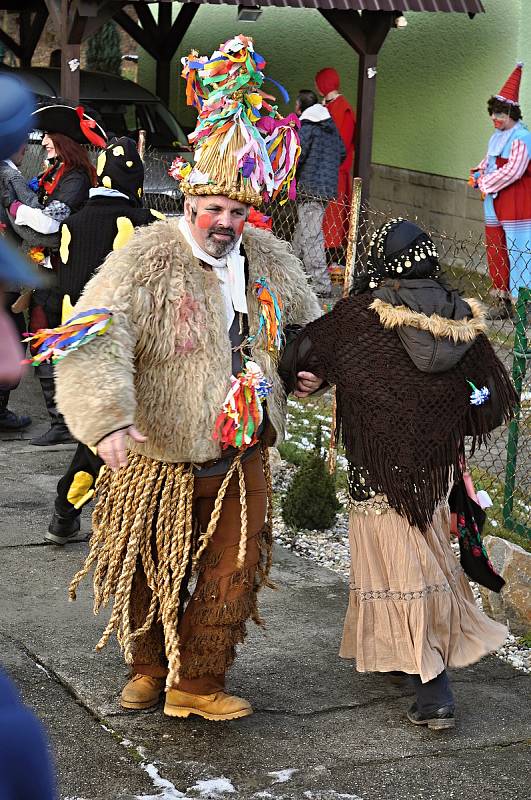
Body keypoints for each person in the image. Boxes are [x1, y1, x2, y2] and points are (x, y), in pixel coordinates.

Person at [37, 35, 322, 721]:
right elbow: (93, 334)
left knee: (233, 573)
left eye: (237, 211)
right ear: (188, 205)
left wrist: (310, 367)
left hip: (239, 451)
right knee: (142, 568)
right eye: (213, 211)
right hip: (155, 449)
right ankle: (145, 666)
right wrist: (105, 417)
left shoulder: (271, 259)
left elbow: (311, 329)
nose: (225, 224)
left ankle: (197, 681)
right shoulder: (146, 258)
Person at [280, 218, 515, 730]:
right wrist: (457, 403)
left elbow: (302, 353)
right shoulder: (461, 318)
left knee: (402, 568)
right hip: (434, 474)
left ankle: (433, 687)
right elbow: (491, 396)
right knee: (421, 559)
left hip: (378, 469)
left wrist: (308, 373)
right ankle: (396, 655)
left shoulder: (359, 317)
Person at [42, 136, 166, 545]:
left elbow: (59, 274)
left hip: (71, 340)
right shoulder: (142, 221)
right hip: (117, 345)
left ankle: (70, 511)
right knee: (111, 433)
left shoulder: (72, 221)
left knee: (100, 430)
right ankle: (67, 507)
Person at [10, 103, 107, 445]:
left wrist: (16, 208)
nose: (45, 143)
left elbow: (51, 222)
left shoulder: (77, 178)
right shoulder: (56, 173)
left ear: (65, 142)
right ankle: (61, 419)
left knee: (56, 343)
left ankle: (65, 423)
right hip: (47, 271)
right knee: (43, 341)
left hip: (67, 274)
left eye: (50, 137)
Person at [471, 63, 531, 319]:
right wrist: (477, 173)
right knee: (496, 250)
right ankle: (501, 301)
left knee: (519, 251)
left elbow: (514, 170)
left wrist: (484, 182)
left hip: (516, 202)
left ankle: (523, 305)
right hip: (493, 203)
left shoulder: (522, 137)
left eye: (500, 114)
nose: (495, 118)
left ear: (512, 113)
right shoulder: (495, 137)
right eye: (493, 113)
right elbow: (489, 162)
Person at [292, 89, 345, 298]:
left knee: (312, 236)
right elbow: (341, 152)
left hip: (310, 188)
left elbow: (298, 155)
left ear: (299, 107)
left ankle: (321, 284)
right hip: (326, 188)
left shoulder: (307, 127)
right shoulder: (330, 126)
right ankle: (291, 271)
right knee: (303, 232)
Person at [315, 68, 356, 265]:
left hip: (334, 173)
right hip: (323, 172)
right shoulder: (329, 106)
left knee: (334, 222)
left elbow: (342, 144)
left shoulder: (343, 109)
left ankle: (332, 262)